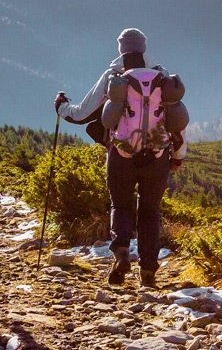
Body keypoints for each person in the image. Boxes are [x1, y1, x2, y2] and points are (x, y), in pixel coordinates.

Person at [54, 28, 186, 288]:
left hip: (122, 154)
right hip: (157, 155)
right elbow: (177, 122)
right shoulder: (163, 78)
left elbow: (81, 113)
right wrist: (178, 155)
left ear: (121, 49)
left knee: (121, 206)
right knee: (150, 212)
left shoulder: (114, 77)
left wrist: (61, 106)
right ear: (144, 48)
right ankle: (148, 271)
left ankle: (122, 253)